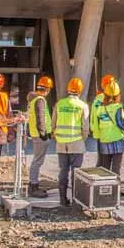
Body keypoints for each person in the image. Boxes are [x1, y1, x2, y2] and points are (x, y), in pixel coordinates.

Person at [52, 77, 90, 207]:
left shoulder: (59, 104)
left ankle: (63, 200)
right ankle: (76, 200)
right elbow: (85, 127)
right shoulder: (82, 106)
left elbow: (53, 124)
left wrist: (56, 136)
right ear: (80, 91)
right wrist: (82, 139)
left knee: (63, 171)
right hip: (76, 143)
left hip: (61, 143)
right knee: (76, 173)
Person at [26, 75, 54, 198]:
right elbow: (40, 118)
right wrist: (43, 134)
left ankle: (34, 184)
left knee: (37, 160)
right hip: (40, 135)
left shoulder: (34, 99)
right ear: (47, 89)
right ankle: (33, 186)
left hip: (36, 134)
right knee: (37, 161)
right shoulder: (40, 100)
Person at [94, 79, 124, 176]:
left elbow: (97, 124)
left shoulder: (100, 108)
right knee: (116, 168)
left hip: (104, 141)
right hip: (117, 140)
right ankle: (115, 189)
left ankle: (105, 188)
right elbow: (120, 123)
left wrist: (98, 136)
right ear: (117, 95)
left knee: (105, 168)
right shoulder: (118, 107)